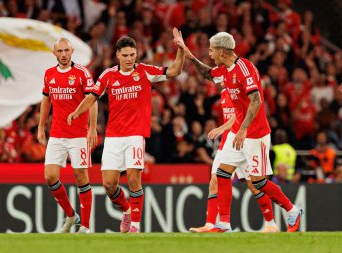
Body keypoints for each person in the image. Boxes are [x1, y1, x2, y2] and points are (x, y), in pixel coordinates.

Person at [174, 30, 302, 232]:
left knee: (258, 183)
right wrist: (189, 56)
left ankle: (292, 210)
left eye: (212, 50)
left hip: (255, 134)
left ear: (223, 52)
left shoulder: (245, 68)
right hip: (238, 132)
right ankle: (223, 223)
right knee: (222, 172)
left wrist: (242, 130)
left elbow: (257, 100)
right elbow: (208, 73)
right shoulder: (224, 69)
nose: (209, 53)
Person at [67, 30, 184, 233]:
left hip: (135, 135)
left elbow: (174, 71)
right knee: (109, 184)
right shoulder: (108, 75)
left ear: (136, 54)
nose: (129, 59)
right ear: (118, 55)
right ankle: (127, 210)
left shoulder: (145, 71)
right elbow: (92, 96)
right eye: (125, 55)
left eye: (132, 54)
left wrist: (181, 49)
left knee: (132, 178)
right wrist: (77, 112)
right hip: (113, 136)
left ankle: (135, 227)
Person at [189, 88, 278, 233]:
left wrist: (221, 128)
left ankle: (271, 223)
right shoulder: (225, 92)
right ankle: (211, 224)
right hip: (227, 143)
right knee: (215, 180)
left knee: (254, 185)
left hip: (246, 141)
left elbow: (240, 117)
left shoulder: (241, 91)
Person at [38, 38, 98, 234]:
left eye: (66, 50)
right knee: (50, 177)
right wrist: (41, 127)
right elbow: (46, 101)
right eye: (60, 51)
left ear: (72, 51)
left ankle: (86, 226)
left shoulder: (81, 73)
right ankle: (71, 215)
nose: (63, 54)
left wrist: (92, 128)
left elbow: (93, 100)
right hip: (57, 133)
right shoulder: (49, 74)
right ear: (54, 53)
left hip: (79, 134)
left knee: (81, 177)